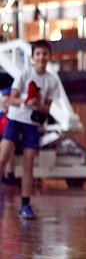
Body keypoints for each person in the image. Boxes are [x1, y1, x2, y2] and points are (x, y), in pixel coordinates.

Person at [0, 40, 62, 220]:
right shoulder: (24, 74)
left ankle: (25, 205)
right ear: (33, 57)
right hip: (15, 119)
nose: (41, 57)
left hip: (32, 125)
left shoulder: (52, 81)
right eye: (38, 54)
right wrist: (26, 101)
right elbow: (12, 99)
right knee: (3, 157)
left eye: (45, 53)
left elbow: (47, 109)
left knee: (29, 164)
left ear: (49, 57)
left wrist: (38, 105)